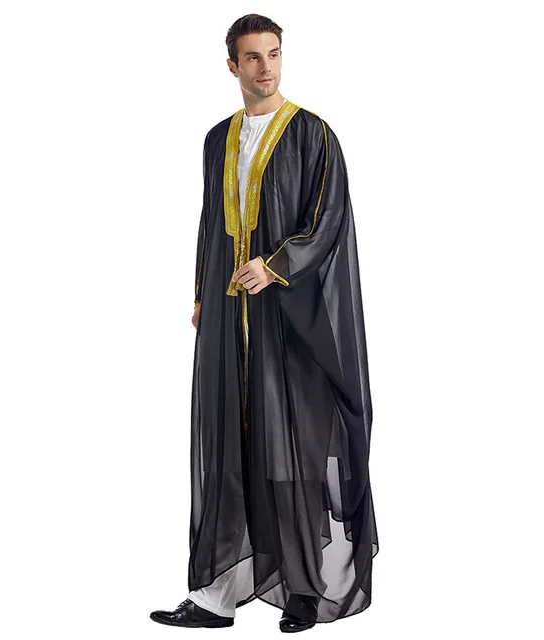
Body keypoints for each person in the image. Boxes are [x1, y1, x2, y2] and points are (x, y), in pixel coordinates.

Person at [150, 13, 378, 632]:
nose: (266, 67)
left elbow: (328, 220)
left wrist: (276, 266)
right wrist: (203, 294)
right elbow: (210, 222)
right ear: (232, 65)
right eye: (252, 57)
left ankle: (304, 589)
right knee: (226, 443)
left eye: (273, 54)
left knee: (291, 448)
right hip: (229, 314)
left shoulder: (312, 134)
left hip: (288, 318)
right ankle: (215, 594)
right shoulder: (216, 140)